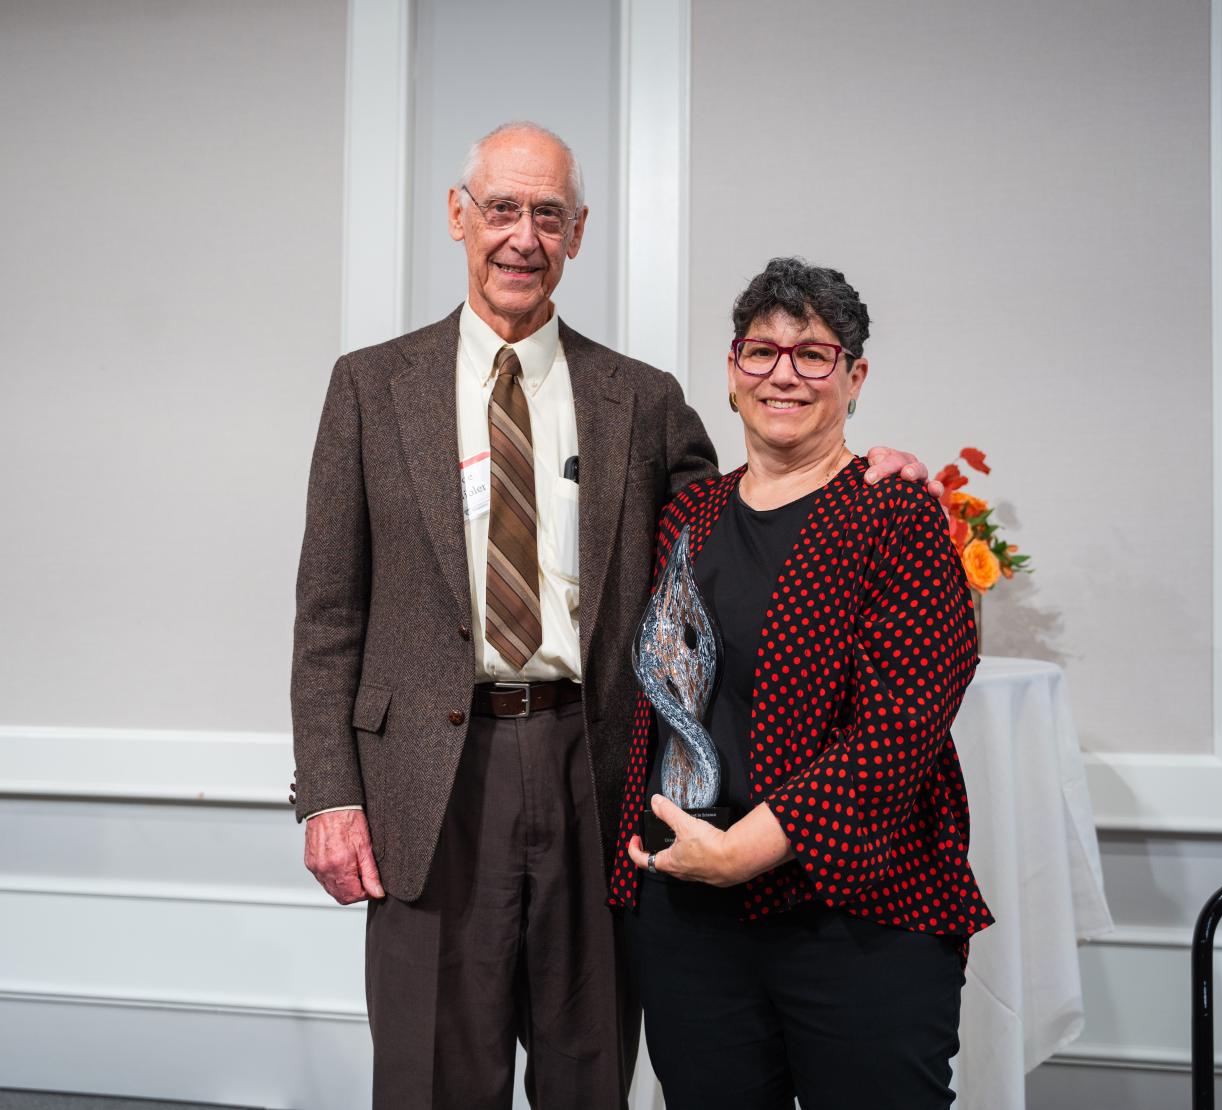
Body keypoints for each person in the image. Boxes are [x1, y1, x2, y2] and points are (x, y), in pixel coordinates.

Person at [290, 123, 935, 1110]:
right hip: (428, 781)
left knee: (586, 1066)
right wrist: (330, 794)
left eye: (547, 215)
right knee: (432, 1076)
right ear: (458, 216)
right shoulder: (372, 387)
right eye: (501, 208)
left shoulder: (639, 398)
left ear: (577, 234)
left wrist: (859, 476)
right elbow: (329, 612)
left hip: (594, 772)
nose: (522, 235)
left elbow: (736, 522)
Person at [611, 257, 995, 1110]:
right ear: (732, 371)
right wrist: (690, 862)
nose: (783, 374)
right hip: (689, 920)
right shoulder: (689, 514)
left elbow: (902, 728)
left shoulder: (897, 513)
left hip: (856, 913)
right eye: (761, 352)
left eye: (814, 354)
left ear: (855, 378)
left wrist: (742, 852)